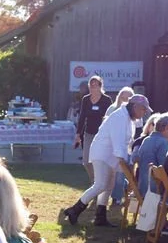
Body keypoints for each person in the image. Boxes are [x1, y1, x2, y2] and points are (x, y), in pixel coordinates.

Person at [63, 95, 153, 227]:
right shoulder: (120, 117)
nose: (144, 113)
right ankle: (75, 210)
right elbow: (118, 143)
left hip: (110, 155)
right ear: (135, 107)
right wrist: (125, 164)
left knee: (108, 186)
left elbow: (126, 143)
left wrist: (128, 161)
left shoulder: (128, 119)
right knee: (100, 184)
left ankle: (100, 217)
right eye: (143, 109)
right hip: (102, 154)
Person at [74, 75, 113, 183]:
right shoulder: (86, 99)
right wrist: (78, 134)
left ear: (100, 86)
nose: (93, 87)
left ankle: (101, 182)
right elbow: (82, 117)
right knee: (87, 161)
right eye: (91, 85)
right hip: (88, 133)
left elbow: (110, 117)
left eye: (95, 85)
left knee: (100, 160)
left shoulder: (106, 100)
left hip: (102, 135)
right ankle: (95, 181)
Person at [135, 112, 168, 196]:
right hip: (155, 191)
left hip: (142, 187)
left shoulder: (147, 140)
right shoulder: (163, 142)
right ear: (166, 128)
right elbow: (165, 167)